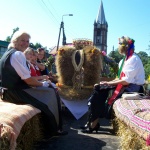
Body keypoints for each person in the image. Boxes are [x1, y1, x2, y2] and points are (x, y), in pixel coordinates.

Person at [0, 31, 67, 138]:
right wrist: (43, 84)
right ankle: (54, 130)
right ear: (15, 41)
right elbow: (29, 81)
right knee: (51, 93)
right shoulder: (17, 54)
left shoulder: (7, 54)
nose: (25, 43)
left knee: (49, 91)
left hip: (8, 92)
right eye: (22, 40)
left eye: (27, 41)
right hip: (17, 93)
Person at [81, 36, 145, 133]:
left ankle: (93, 124)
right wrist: (105, 83)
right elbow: (119, 78)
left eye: (119, 44)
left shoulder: (133, 59)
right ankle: (92, 121)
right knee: (98, 89)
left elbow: (126, 81)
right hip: (124, 85)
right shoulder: (124, 60)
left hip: (133, 88)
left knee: (106, 96)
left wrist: (108, 83)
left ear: (123, 47)